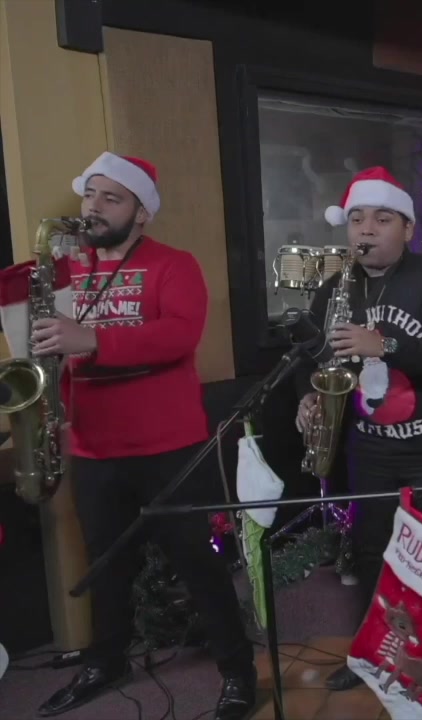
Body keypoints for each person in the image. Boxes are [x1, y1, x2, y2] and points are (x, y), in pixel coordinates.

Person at [0, 152, 256, 719]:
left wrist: (90, 338)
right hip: (94, 447)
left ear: (141, 213)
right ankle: (106, 661)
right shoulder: (66, 271)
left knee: (198, 563)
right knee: (106, 565)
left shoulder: (174, 265)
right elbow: (47, 344)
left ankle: (238, 670)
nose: (93, 206)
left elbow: (179, 336)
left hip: (168, 447)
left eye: (111, 198)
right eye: (89, 194)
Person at [296, 167, 422, 713]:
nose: (366, 229)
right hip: (372, 451)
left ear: (407, 228)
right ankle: (373, 655)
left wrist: (382, 344)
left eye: (382, 219)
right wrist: (309, 395)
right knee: (372, 554)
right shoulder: (335, 290)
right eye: (358, 219)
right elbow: (315, 360)